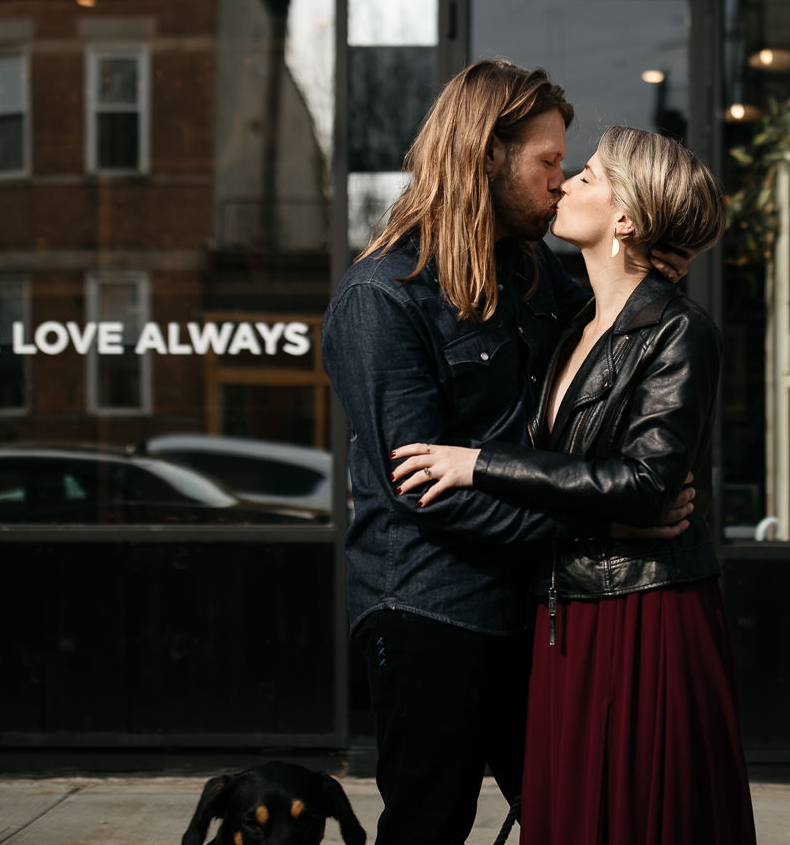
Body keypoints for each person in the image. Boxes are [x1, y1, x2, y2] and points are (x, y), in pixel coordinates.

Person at [322, 61, 694, 845]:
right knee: (432, 821)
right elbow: (425, 490)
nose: (561, 184)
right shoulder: (382, 298)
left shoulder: (533, 277)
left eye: (567, 166)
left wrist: (654, 271)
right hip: (429, 605)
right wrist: (599, 531)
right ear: (486, 156)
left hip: (538, 603)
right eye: (548, 163)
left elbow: (611, 353)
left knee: (568, 812)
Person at [390, 125, 757, 845]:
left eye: (586, 175)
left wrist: (478, 462)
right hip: (567, 610)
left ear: (625, 218)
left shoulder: (679, 330)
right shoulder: (575, 324)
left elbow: (649, 484)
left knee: (640, 813)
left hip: (643, 608)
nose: (564, 185)